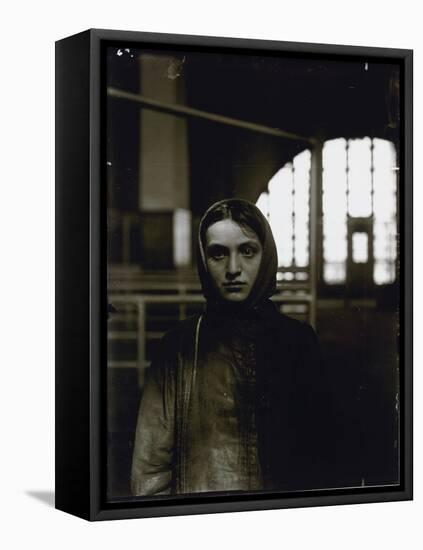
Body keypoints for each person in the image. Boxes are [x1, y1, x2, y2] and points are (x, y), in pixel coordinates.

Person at [131, 198, 335, 496]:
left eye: (247, 251)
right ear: (203, 261)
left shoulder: (299, 342)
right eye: (218, 254)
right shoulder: (178, 347)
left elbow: (323, 459)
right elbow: (149, 473)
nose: (233, 268)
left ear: (266, 257)